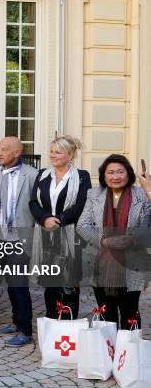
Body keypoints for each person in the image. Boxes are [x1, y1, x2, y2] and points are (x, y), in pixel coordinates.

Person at [77, 154, 151, 329]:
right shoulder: (94, 194)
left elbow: (147, 225)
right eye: (110, 172)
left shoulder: (140, 194)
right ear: (104, 175)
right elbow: (82, 225)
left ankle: (129, 354)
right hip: (101, 262)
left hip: (132, 262)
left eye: (120, 172)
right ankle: (107, 352)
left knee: (130, 311)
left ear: (129, 174)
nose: (115, 176)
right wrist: (103, 241)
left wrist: (148, 189)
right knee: (105, 312)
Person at [29, 136, 91, 320]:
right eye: (52, 151)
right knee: (50, 284)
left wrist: (59, 220)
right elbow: (33, 202)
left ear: (70, 155)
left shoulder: (82, 176)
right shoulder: (42, 175)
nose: (52, 155)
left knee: (69, 284)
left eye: (58, 152)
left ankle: (67, 326)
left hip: (71, 236)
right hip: (46, 235)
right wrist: (44, 218)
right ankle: (51, 322)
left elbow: (81, 204)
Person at [0, 136, 38, 346]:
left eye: (4, 149)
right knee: (10, 283)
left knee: (19, 284)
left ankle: (25, 331)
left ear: (17, 153)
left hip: (21, 238)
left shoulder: (33, 175)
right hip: (1, 237)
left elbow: (37, 207)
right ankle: (16, 322)